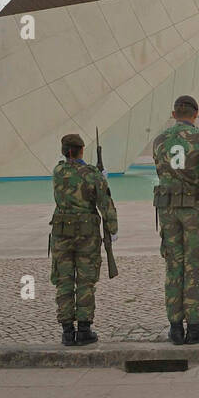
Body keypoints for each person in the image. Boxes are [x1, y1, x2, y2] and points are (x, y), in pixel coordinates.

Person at [152, 95, 199, 344]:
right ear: (195, 114)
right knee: (194, 265)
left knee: (174, 265)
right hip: (195, 211)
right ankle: (194, 325)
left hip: (168, 210)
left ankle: (174, 326)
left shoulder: (160, 141)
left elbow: (160, 172)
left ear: (174, 114)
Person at [49, 133, 117, 345]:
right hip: (86, 235)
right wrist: (112, 228)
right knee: (86, 281)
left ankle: (67, 331)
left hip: (61, 233)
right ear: (81, 150)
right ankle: (85, 328)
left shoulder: (58, 171)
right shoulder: (92, 174)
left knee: (64, 281)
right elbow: (104, 203)